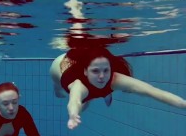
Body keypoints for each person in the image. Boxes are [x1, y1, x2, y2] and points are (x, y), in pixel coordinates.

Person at [50, 47, 186, 130]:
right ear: (85, 71)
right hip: (59, 66)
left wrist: (184, 104)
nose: (102, 77)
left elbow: (154, 92)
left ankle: (102, 93)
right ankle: (97, 94)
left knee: (90, 96)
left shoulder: (116, 78)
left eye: (106, 70)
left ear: (111, 69)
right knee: (66, 95)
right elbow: (74, 101)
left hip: (91, 86)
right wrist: (73, 115)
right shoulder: (78, 84)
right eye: (95, 71)